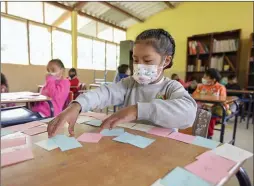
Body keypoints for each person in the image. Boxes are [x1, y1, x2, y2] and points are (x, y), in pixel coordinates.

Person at [47, 29, 197, 137]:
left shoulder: (171, 88)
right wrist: (77, 105)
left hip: (161, 150)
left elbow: (189, 114)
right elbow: (104, 93)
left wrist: (137, 110)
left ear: (166, 60)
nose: (139, 65)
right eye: (136, 60)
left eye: (148, 60)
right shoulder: (129, 84)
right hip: (131, 148)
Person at [193, 68, 229, 138]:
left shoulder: (220, 87)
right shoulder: (200, 86)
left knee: (207, 114)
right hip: (201, 107)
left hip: (213, 108)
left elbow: (222, 99)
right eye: (204, 76)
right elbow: (195, 96)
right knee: (195, 112)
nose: (203, 78)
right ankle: (197, 133)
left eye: (206, 77)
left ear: (214, 79)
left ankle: (208, 135)